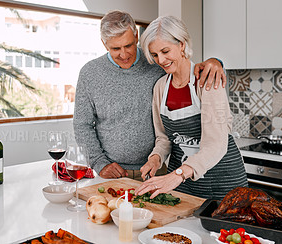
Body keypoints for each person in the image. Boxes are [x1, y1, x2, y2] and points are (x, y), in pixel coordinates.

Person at [73, 10, 226, 180]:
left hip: (156, 171)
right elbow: (82, 124)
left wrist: (216, 62)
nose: (124, 55)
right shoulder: (90, 73)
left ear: (137, 35)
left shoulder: (156, 62)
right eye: (115, 48)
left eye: (128, 45)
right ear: (104, 44)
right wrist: (99, 162)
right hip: (112, 172)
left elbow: (187, 69)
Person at [135, 15, 248, 199]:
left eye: (165, 51)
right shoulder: (160, 87)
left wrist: (177, 175)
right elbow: (164, 138)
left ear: (181, 44)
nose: (161, 60)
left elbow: (216, 144)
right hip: (183, 184)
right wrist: (155, 158)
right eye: (155, 55)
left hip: (222, 181)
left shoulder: (207, 80)